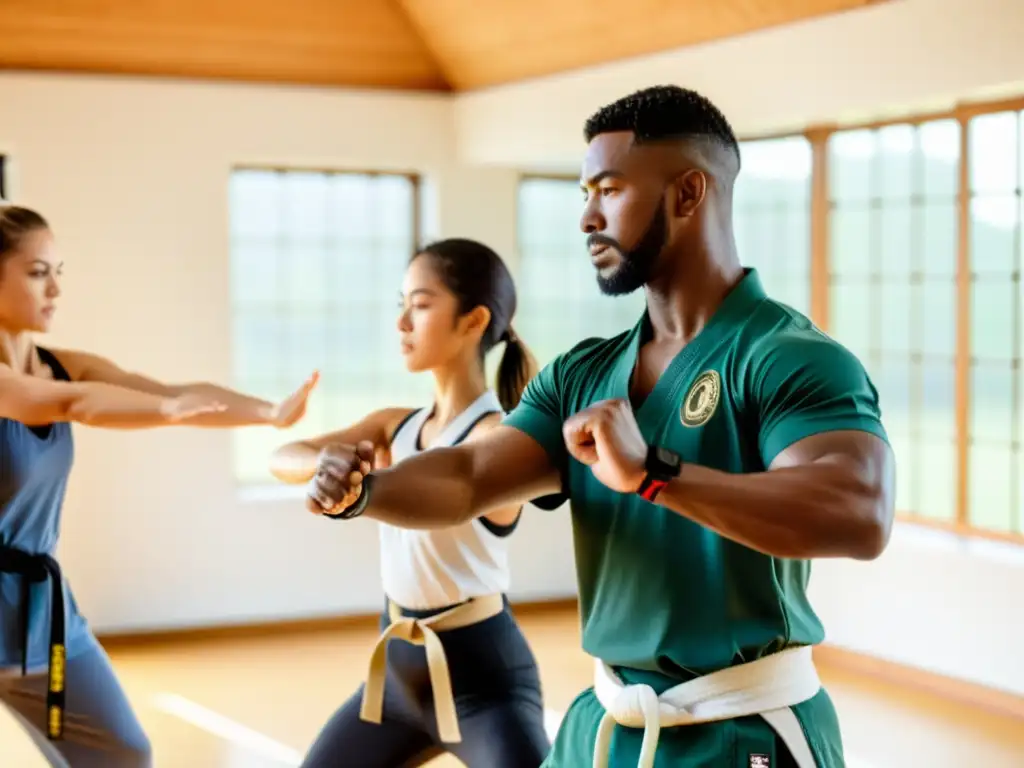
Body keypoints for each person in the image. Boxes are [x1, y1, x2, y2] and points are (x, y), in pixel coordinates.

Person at [301, 86, 897, 768]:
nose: (587, 217)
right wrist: (367, 492)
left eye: (608, 190)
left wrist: (655, 475)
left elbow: (858, 512)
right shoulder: (583, 373)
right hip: (604, 728)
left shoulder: (788, 356)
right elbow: (468, 476)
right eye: (584, 193)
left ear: (688, 193)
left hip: (745, 733)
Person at [0, 204, 319, 767]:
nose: (55, 288)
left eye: (58, 271)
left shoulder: (60, 363)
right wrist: (167, 409)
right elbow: (77, 405)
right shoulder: (41, 385)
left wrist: (269, 412)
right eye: (36, 272)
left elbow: (164, 389)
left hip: (38, 610)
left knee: (121, 752)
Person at [269, 238, 552, 768]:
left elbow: (453, 487)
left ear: (473, 321)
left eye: (420, 305)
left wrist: (356, 487)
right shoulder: (394, 425)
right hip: (396, 678)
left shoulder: (499, 437)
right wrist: (325, 462)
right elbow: (283, 455)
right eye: (400, 304)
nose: (401, 322)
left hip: (484, 685)